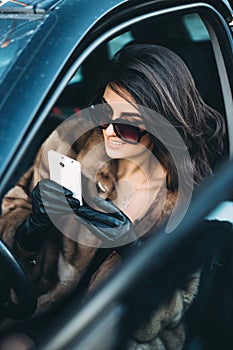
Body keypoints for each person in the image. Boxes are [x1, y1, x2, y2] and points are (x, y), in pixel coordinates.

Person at [0, 44, 232, 350]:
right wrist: (30, 229)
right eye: (104, 114)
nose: (108, 131)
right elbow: (10, 222)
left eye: (125, 127)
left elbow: (162, 335)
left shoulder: (190, 208)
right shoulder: (73, 148)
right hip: (29, 309)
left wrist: (133, 254)